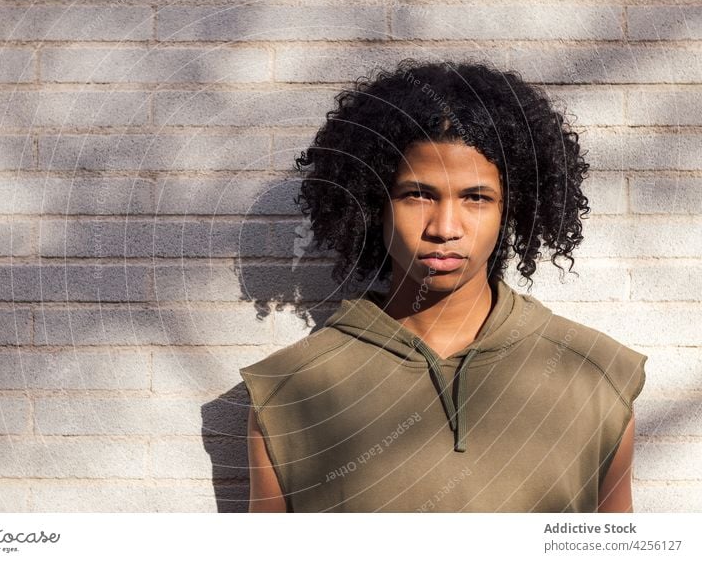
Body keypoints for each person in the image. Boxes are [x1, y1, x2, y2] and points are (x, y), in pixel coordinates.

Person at [239, 58, 647, 513]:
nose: (445, 227)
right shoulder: (288, 389)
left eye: (476, 198)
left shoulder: (600, 374)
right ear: (376, 206)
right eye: (418, 195)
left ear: (511, 210)